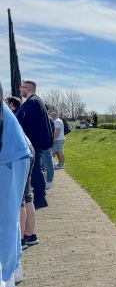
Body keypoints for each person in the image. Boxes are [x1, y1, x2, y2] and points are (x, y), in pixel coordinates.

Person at [0, 88, 33, 287]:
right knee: (7, 218)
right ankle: (11, 270)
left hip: (9, 156)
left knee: (5, 220)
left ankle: (7, 274)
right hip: (14, 154)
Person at [15, 80, 54, 209]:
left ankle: (40, 197)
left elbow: (26, 122)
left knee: (35, 170)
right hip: (35, 142)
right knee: (36, 169)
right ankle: (39, 196)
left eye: (22, 87)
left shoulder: (32, 102)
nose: (20, 90)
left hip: (33, 142)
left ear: (27, 89)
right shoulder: (36, 102)